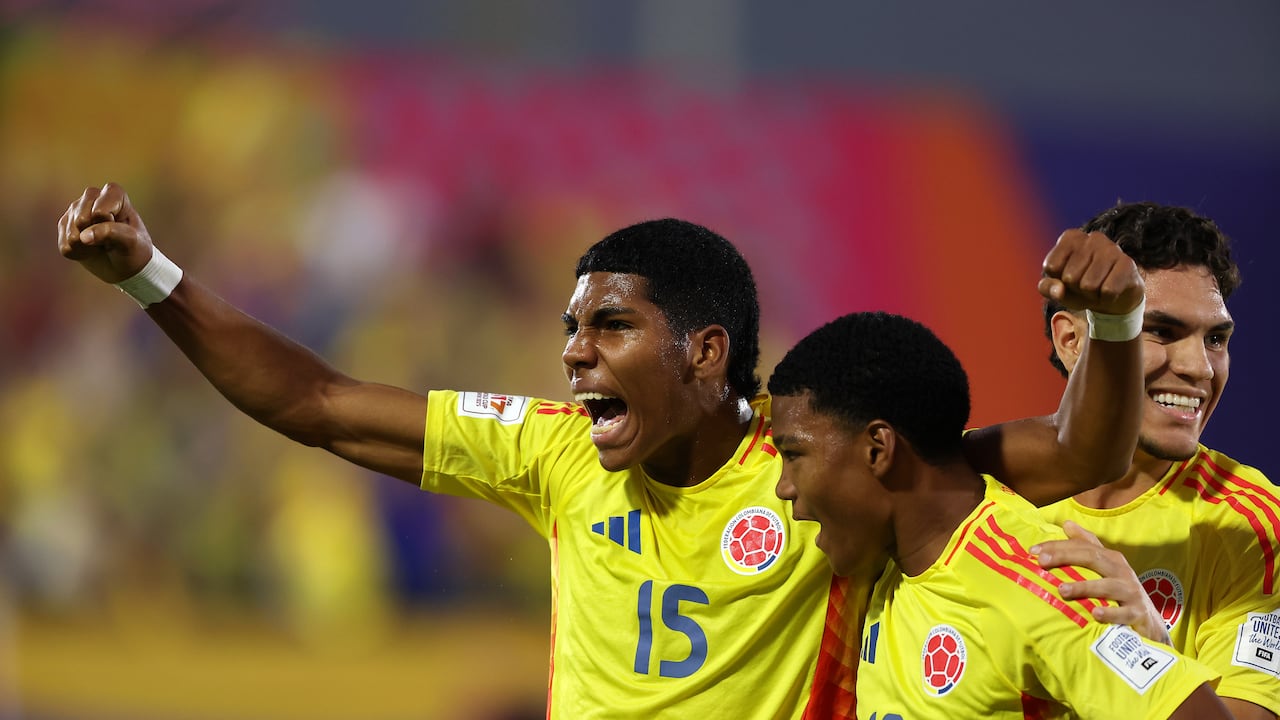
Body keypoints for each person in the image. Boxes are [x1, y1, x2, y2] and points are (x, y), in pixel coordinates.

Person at [59, 182, 1148, 718]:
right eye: (571, 328)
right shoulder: (555, 454)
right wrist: (151, 277)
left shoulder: (823, 467)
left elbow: (1077, 453)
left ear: (705, 350)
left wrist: (1109, 329)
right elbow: (322, 401)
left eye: (610, 328)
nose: (575, 355)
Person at [770, 310, 1231, 718]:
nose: (783, 487)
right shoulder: (894, 566)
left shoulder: (1041, 585)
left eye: (794, 455)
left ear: (877, 451)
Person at [1031, 202, 1280, 719]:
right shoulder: (981, 489)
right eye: (1161, 331)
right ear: (1072, 340)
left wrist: (1150, 650)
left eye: (1215, 339)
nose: (1199, 369)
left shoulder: (1255, 527)